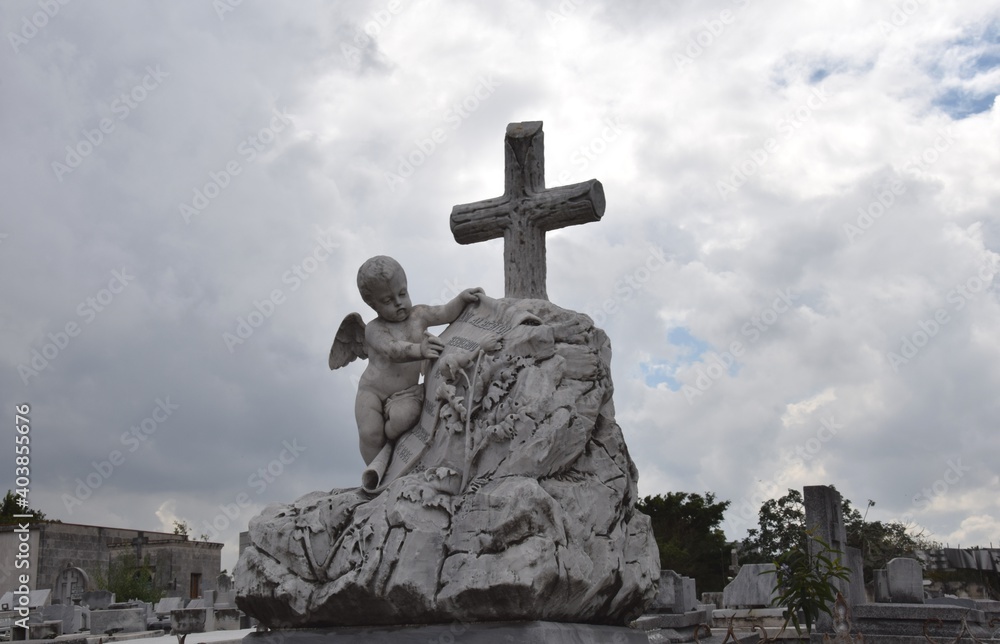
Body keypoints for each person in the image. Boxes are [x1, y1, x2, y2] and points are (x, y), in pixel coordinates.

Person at [331, 256, 483, 464]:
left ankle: (391, 438)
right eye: (387, 300)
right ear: (372, 304)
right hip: (372, 392)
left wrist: (461, 299)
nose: (398, 303)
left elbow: (445, 312)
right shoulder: (374, 329)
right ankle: (375, 474)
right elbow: (392, 349)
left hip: (406, 394)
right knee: (370, 433)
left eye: (402, 293)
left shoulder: (419, 315)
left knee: (406, 416)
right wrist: (419, 349)